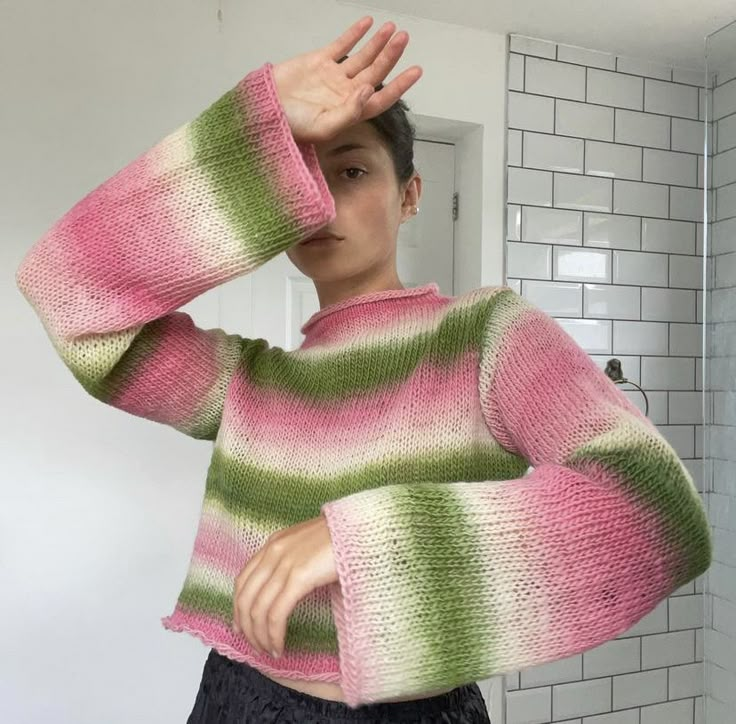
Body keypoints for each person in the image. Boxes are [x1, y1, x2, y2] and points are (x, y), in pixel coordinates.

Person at [15, 14, 712, 724]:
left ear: (410, 196)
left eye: (350, 171)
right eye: (302, 186)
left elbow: (657, 510)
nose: (320, 206)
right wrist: (253, 134)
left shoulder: (487, 337)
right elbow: (69, 296)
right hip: (235, 700)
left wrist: (366, 539)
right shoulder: (247, 385)